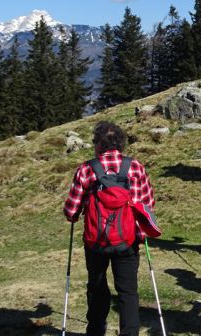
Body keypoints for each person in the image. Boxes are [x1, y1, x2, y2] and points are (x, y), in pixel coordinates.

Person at [63, 121, 155, 336]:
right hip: (128, 242)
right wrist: (141, 234)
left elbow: (70, 212)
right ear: (121, 143)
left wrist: (79, 212)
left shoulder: (86, 169)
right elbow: (147, 203)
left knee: (96, 287)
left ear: (98, 144)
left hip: (96, 243)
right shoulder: (135, 167)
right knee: (127, 292)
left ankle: (96, 331)